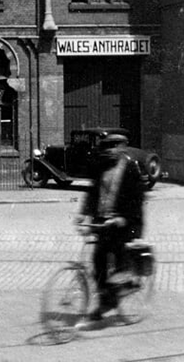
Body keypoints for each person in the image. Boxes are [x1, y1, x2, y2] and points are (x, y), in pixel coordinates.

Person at [78, 133, 146, 320]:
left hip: (126, 224)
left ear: (123, 148)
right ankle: (106, 301)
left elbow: (137, 200)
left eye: (114, 146)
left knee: (118, 262)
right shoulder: (101, 168)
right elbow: (92, 193)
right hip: (104, 223)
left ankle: (123, 288)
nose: (110, 150)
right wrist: (82, 214)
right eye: (107, 146)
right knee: (98, 260)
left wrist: (122, 218)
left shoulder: (132, 169)